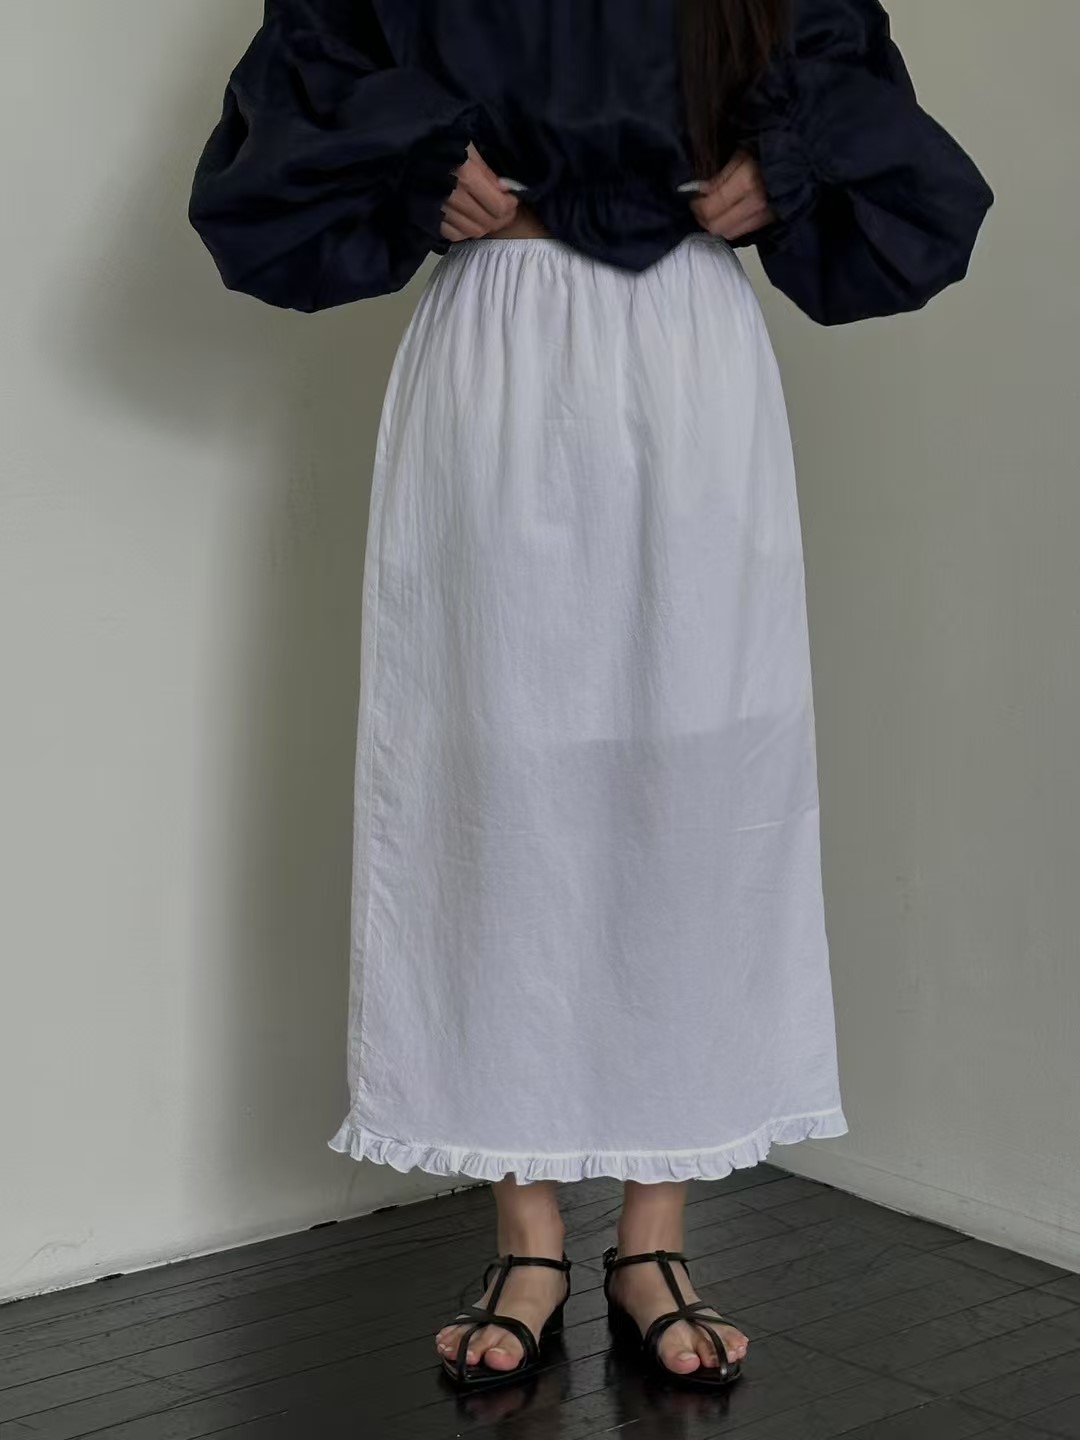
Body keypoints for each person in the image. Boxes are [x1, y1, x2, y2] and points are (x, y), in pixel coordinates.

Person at [189, 0, 993, 1394]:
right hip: (500, 341)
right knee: (495, 778)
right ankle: (526, 1238)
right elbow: (306, 78)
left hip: (684, 339)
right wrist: (410, 154)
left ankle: (655, 1238)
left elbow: (855, 94)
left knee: (693, 782)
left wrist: (787, 161)